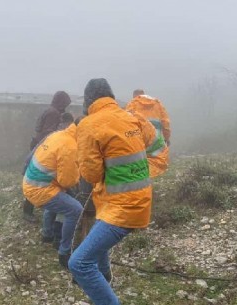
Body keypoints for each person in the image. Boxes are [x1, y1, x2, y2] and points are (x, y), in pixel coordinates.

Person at [69, 78, 155, 305]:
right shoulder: (130, 117)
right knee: (97, 236)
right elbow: (152, 141)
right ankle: (104, 280)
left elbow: (92, 175)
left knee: (78, 263)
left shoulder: (89, 124)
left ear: (88, 101)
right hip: (138, 200)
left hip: (122, 207)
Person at [22, 112, 83, 268]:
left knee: (60, 200)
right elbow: (67, 181)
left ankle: (47, 234)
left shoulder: (60, 135)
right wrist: (79, 174)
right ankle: (65, 252)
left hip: (33, 182)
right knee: (75, 209)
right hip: (41, 188)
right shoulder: (70, 147)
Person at [23, 91, 73, 222]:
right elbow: (48, 131)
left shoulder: (49, 110)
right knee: (39, 180)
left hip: (39, 145)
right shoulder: (54, 113)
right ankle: (28, 211)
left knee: (36, 178)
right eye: (65, 104)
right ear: (61, 102)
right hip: (43, 146)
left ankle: (35, 208)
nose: (66, 107)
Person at [126, 89, 171, 178]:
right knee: (157, 164)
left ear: (135, 95)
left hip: (140, 140)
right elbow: (165, 123)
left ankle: (145, 179)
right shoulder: (157, 103)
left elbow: (127, 123)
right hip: (157, 141)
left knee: (141, 165)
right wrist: (166, 138)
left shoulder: (132, 104)